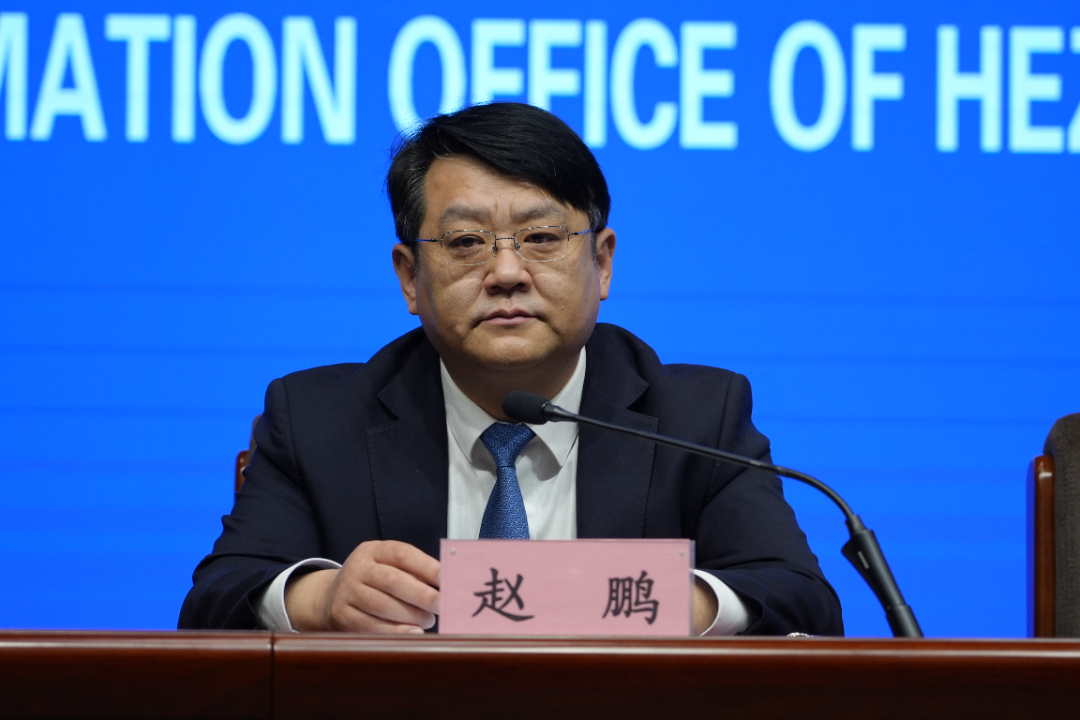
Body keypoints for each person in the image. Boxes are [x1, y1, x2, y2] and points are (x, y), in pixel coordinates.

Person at [178, 102, 843, 636]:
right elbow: (212, 605)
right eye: (466, 242)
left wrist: (657, 602)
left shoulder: (697, 419)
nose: (505, 272)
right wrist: (320, 600)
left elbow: (802, 601)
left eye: (542, 238)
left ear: (602, 262)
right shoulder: (317, 419)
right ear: (409, 277)